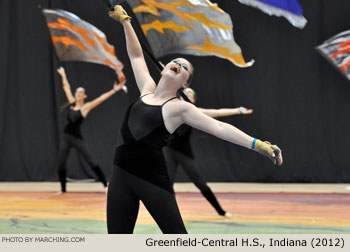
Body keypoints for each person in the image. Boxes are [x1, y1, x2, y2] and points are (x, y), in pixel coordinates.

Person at [107, 5, 282, 234]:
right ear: (163, 69)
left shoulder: (179, 108)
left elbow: (219, 127)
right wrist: (126, 22)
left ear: (184, 84)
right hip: (120, 178)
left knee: (179, 239)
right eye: (176, 62)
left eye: (184, 67)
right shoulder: (146, 90)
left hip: (151, 181)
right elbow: (136, 55)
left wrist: (257, 145)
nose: (179, 64)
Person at [165, 87, 253, 218]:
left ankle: (220, 211)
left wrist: (238, 110)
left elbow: (217, 112)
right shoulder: (172, 110)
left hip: (185, 154)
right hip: (169, 151)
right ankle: (168, 214)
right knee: (167, 184)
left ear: (193, 100)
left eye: (189, 94)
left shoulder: (195, 112)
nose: (186, 95)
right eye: (184, 93)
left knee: (200, 184)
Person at [56, 66, 123, 193]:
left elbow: (100, 99)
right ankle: (63, 189)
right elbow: (66, 87)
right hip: (66, 137)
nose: (78, 94)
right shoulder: (71, 103)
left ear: (84, 96)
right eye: (77, 92)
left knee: (91, 161)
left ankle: (105, 185)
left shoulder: (85, 108)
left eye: (81, 92)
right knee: (61, 164)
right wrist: (63, 74)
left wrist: (114, 90)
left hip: (77, 138)